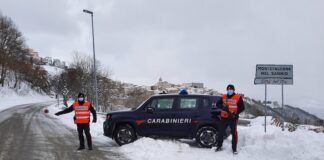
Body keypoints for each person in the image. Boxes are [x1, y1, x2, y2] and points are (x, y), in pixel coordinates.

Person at [215, 84, 245, 154]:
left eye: (231, 90)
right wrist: (223, 108)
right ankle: (219, 146)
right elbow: (217, 104)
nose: (229, 91)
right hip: (224, 117)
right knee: (221, 132)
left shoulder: (238, 97)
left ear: (233, 90)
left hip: (233, 118)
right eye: (228, 90)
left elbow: (242, 107)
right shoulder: (224, 96)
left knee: (234, 133)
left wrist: (236, 113)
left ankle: (234, 149)